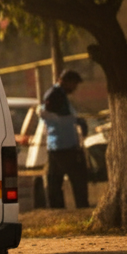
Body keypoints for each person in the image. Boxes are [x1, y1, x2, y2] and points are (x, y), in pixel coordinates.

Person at [40, 69, 90, 209]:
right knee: (78, 178)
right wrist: (76, 121)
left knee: (55, 180)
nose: (75, 88)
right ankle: (81, 207)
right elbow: (48, 116)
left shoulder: (59, 94)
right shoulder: (55, 95)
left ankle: (58, 209)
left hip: (60, 145)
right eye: (74, 84)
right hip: (64, 146)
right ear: (65, 81)